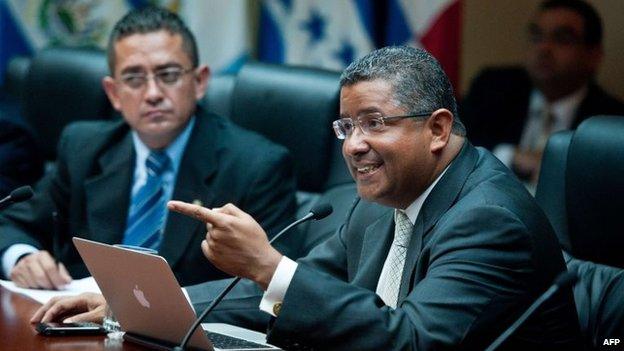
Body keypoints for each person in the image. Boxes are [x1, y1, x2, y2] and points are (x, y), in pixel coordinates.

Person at [32, 46, 581, 350]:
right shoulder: (381, 201)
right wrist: (134, 307)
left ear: (437, 129)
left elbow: (412, 343)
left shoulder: (487, 218)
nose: (355, 146)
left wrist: (270, 265)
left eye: (374, 123)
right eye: (346, 126)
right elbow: (291, 286)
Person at [0, 6, 296, 289]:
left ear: (199, 81)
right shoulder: (83, 147)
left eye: (168, 75)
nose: (153, 93)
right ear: (114, 93)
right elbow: (11, 224)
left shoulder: (257, 166)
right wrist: (22, 257)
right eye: (134, 79)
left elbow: (269, 284)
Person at [461, 0, 624, 184]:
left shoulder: (612, 121)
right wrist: (510, 156)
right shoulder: (491, 87)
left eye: (562, 39)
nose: (543, 48)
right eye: (537, 36)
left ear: (593, 56)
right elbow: (455, 148)